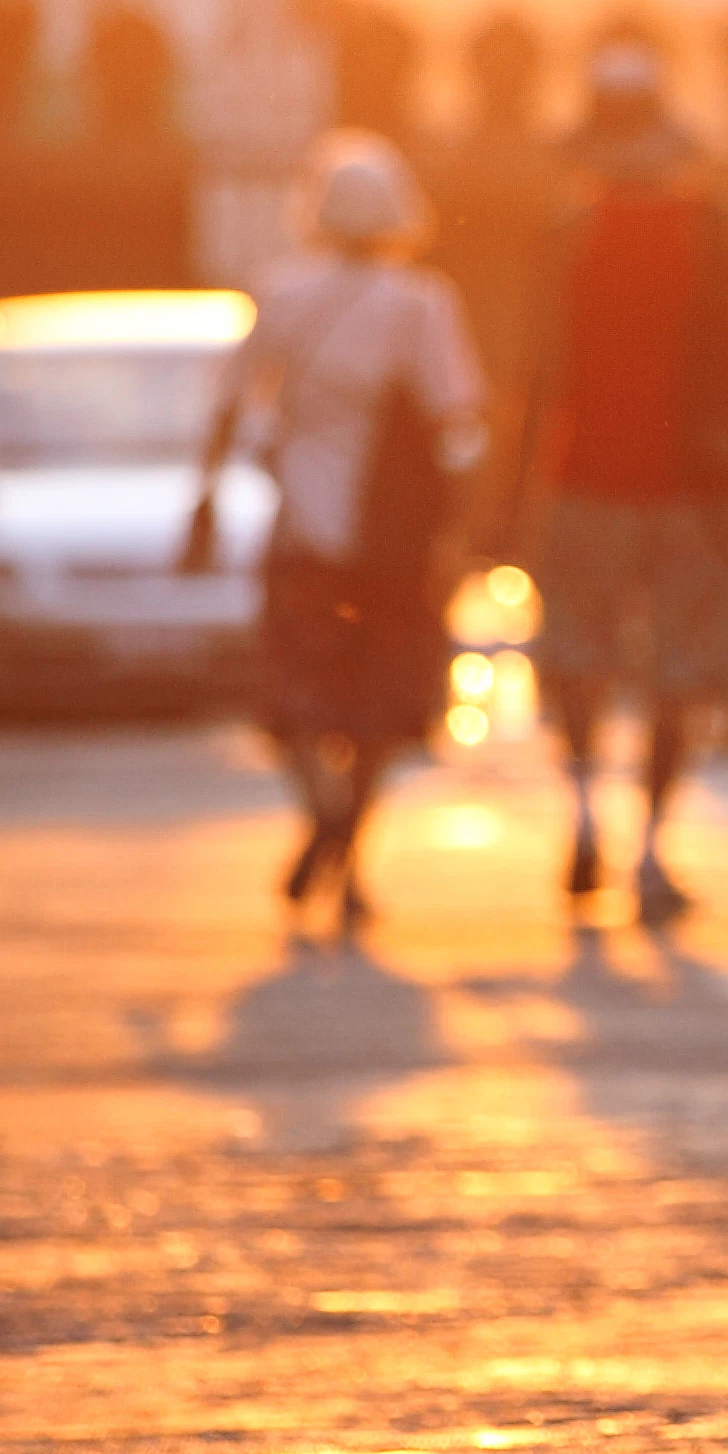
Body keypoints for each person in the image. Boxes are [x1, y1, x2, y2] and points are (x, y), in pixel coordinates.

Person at [511, 25, 728, 923]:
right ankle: (653, 849)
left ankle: (589, 811)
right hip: (689, 490)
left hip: (586, 482)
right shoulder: (715, 230)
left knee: (577, 664)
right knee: (682, 673)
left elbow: (536, 376)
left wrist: (508, 500)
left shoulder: (567, 238)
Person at [190, 130, 487, 934]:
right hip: (392, 546)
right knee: (377, 702)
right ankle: (350, 849)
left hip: (301, 533)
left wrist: (205, 496)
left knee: (296, 689)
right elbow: (457, 424)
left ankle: (320, 811)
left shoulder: (281, 294)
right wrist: (457, 527)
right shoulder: (422, 304)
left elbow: (229, 402)